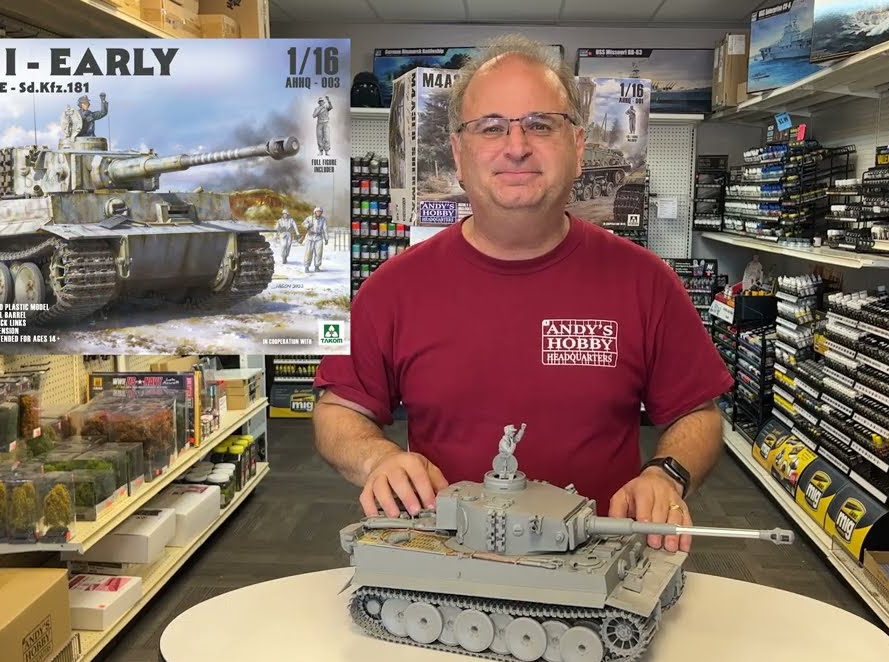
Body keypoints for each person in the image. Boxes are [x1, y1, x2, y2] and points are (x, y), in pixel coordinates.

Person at [311, 34, 732, 553]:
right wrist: (378, 458)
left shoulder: (646, 281)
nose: (516, 146)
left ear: (578, 148)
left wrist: (667, 474)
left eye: (540, 124)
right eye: (491, 127)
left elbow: (698, 413)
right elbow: (338, 411)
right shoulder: (392, 288)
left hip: (597, 569)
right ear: (459, 154)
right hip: (446, 563)